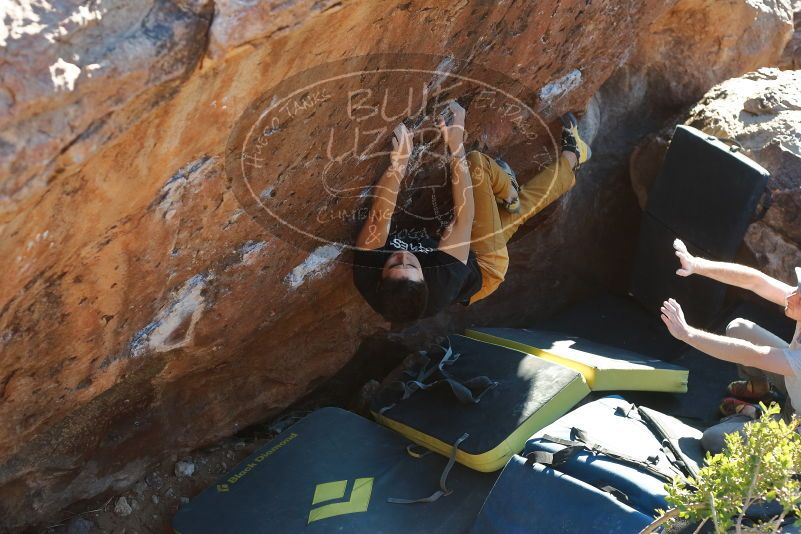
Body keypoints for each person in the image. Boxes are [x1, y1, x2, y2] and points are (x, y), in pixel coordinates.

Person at [351, 101, 591, 322]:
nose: (403, 255)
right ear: (426, 279)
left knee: (514, 215)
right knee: (477, 164)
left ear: (380, 280)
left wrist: (399, 163)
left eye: (394, 264)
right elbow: (463, 218)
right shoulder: (443, 279)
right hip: (484, 265)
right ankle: (509, 192)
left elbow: (378, 216)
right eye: (412, 266)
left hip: (458, 259)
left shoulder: (367, 272)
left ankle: (573, 156)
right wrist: (456, 146)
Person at [660, 239, 801, 453]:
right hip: (794, 383)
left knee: (713, 439)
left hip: (796, 425)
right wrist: (695, 264)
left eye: (799, 296)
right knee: (739, 327)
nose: (790, 295)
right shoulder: (796, 301)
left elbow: (753, 355)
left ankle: (756, 415)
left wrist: (687, 334)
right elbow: (756, 281)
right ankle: (761, 390)